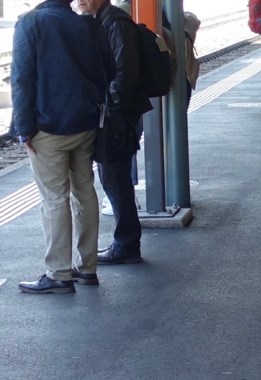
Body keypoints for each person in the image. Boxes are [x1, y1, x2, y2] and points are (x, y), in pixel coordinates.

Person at [10, 0, 113, 293]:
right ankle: (87, 268)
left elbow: (21, 78)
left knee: (54, 198)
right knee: (84, 191)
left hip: (49, 127)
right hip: (85, 123)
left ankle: (58, 273)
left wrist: (24, 128)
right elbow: (106, 69)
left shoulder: (32, 22)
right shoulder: (88, 23)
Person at [79, 0, 152, 266]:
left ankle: (127, 244)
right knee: (113, 176)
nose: (79, 1)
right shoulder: (107, 19)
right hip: (116, 113)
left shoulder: (115, 22)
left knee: (114, 177)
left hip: (117, 116)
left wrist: (109, 110)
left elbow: (124, 73)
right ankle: (125, 242)